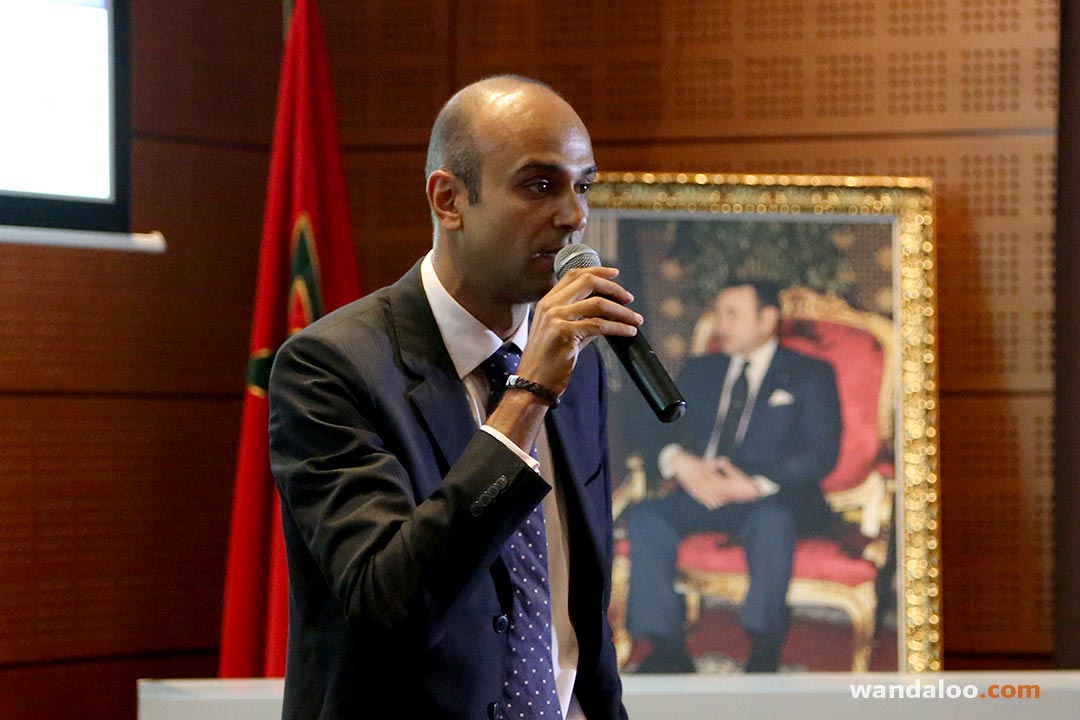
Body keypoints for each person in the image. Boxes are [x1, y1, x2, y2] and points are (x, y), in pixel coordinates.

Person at [268, 75, 636, 719]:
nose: (574, 216)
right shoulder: (331, 367)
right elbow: (389, 605)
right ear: (449, 200)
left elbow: (580, 608)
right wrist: (526, 397)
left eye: (583, 186)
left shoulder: (579, 366)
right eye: (540, 186)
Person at [626, 280, 841, 673]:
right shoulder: (702, 370)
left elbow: (820, 452)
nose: (720, 324)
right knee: (646, 518)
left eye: (732, 314)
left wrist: (755, 485)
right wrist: (679, 461)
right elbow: (650, 426)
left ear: (767, 319)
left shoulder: (809, 374)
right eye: (718, 313)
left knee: (773, 522)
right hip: (705, 490)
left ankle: (764, 648)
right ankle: (667, 648)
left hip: (772, 496)